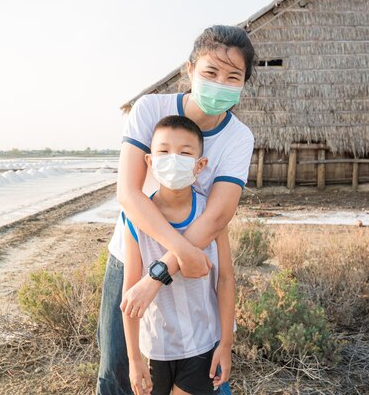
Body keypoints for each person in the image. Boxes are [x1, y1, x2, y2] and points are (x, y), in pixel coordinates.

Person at [97, 24, 255, 395]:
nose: (220, 83)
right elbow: (128, 194)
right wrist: (178, 253)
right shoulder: (151, 109)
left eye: (233, 76)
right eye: (210, 72)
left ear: (245, 82)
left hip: (194, 267)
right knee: (120, 370)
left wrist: (160, 274)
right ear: (189, 70)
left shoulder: (238, 137)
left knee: (198, 366)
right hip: (135, 253)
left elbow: (218, 215)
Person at [121, 116, 235, 395]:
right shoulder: (135, 220)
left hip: (202, 342)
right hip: (157, 346)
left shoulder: (210, 213)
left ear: (200, 165)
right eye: (164, 151)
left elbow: (226, 279)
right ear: (149, 161)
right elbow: (130, 291)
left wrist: (226, 344)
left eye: (184, 153)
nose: (173, 159)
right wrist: (134, 359)